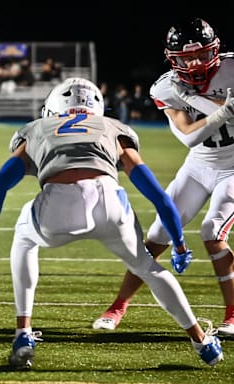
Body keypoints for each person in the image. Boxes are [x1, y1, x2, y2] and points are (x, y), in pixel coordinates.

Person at [0, 77, 223, 369]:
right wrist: (178, 243)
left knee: (24, 239)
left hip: (57, 204)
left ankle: (23, 333)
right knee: (147, 266)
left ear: (52, 108)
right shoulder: (114, 128)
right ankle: (202, 341)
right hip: (111, 201)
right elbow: (157, 195)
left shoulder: (37, 128)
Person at [93, 18, 234, 337]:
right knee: (156, 236)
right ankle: (118, 306)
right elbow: (188, 136)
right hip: (199, 163)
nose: (194, 63)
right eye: (186, 58)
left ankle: (233, 314)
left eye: (199, 54)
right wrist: (223, 109)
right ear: (173, 59)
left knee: (213, 230)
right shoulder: (167, 86)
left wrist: (204, 102)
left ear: (214, 50)